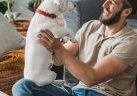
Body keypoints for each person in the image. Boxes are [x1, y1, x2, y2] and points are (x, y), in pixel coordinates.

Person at [12, 0, 137, 96]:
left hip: (105, 94)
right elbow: (58, 59)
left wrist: (59, 48)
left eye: (113, 2)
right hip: (76, 92)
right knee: (22, 86)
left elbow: (91, 78)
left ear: (126, 12)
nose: (104, 5)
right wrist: (44, 44)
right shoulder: (91, 26)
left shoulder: (130, 42)